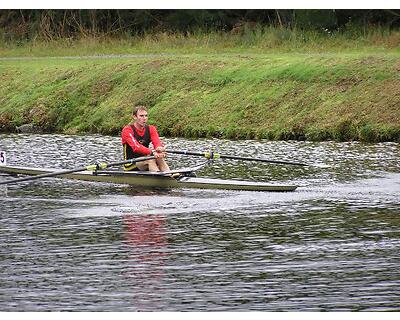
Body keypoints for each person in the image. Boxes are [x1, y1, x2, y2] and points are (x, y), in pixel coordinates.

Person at [121, 105, 170, 172]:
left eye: (146, 116)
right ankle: (159, 179)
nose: (144, 118)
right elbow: (136, 147)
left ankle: (169, 175)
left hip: (145, 159)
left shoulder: (151, 128)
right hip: (130, 163)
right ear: (135, 117)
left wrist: (159, 149)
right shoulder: (127, 130)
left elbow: (157, 142)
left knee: (159, 158)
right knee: (150, 159)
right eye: (141, 116)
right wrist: (152, 152)